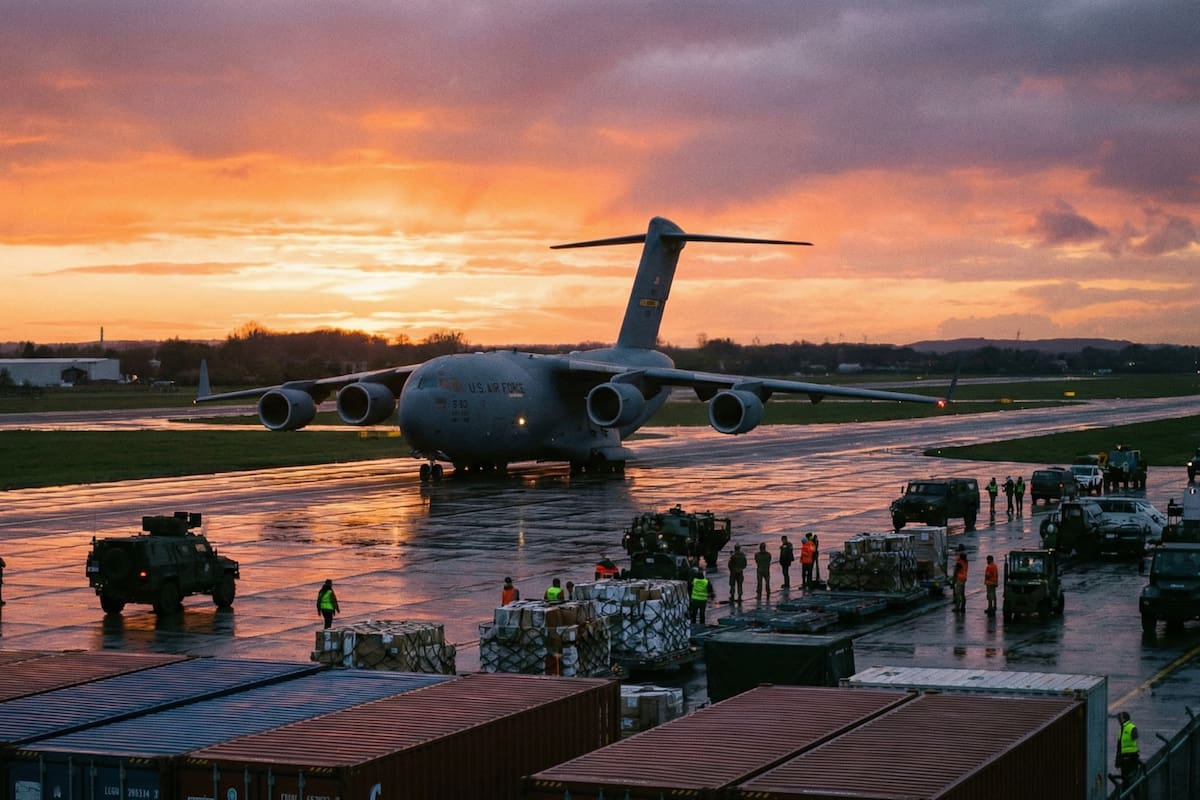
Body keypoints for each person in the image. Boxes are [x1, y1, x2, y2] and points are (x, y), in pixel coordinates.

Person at [1115, 711, 1141, 785]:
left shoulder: (1131, 727)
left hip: (1131, 757)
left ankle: (1134, 794)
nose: (1119, 719)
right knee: (1125, 778)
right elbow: (1119, 745)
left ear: (1124, 719)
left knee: (1131, 778)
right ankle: (1127, 794)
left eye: (1120, 718)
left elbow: (1135, 736)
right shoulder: (1121, 729)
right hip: (1124, 758)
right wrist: (1117, 760)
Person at [952, 546, 969, 612]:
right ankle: (963, 607)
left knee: (958, 594)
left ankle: (957, 607)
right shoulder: (966, 562)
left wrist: (953, 581)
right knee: (962, 594)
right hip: (964, 579)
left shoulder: (959, 562)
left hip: (959, 579)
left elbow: (955, 572)